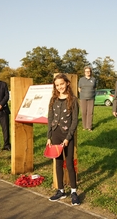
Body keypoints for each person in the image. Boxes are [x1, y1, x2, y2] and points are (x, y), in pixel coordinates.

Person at [47, 73, 80, 206]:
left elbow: (74, 121)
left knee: (70, 164)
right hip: (55, 134)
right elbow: (50, 119)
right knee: (58, 163)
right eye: (57, 85)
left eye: (61, 84)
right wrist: (49, 136)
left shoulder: (73, 99)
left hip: (67, 136)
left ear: (67, 83)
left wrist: (68, 138)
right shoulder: (53, 99)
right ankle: (61, 190)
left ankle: (73, 192)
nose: (60, 87)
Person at [78, 66, 96, 131]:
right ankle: (84, 127)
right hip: (83, 98)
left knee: (90, 112)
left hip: (91, 98)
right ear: (84, 72)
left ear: (90, 72)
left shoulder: (93, 79)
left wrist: (93, 94)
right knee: (83, 112)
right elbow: (79, 88)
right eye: (86, 71)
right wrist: (83, 94)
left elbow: (95, 88)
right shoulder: (81, 79)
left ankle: (89, 127)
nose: (88, 72)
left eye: (89, 71)